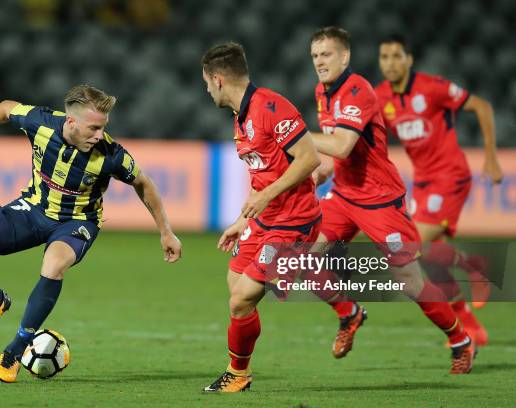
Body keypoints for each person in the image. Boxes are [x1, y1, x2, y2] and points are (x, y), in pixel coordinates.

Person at [0, 85, 182, 383]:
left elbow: (144, 183)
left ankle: (15, 349)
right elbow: (5, 107)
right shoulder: (41, 123)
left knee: (54, 265)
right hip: (34, 207)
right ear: (70, 121)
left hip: (78, 221)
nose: (99, 135)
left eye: (103, 128)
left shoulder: (111, 155)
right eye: (94, 128)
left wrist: (166, 232)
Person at [308, 27, 475, 373]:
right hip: (343, 195)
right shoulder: (321, 93)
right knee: (301, 257)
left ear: (345, 57)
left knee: (410, 282)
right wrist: (322, 172)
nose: (320, 62)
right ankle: (348, 313)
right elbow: (336, 153)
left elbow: (342, 145)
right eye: (315, 56)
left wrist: (296, 133)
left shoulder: (358, 91)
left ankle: (461, 340)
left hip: (380, 201)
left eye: (326, 54)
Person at [199, 42, 357, 392]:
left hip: (294, 221)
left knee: (241, 300)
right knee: (235, 285)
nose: (206, 89)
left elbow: (309, 159)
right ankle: (303, 277)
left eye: (207, 82)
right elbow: (263, 177)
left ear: (218, 79)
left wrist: (268, 197)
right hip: (265, 221)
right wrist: (243, 221)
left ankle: (237, 374)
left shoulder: (271, 107)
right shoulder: (241, 120)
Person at [375, 34, 503, 345]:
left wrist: (490, 158)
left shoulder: (433, 87)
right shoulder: (380, 97)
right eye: (384, 57)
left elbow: (483, 107)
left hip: (450, 176)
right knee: (429, 259)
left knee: (411, 246)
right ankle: (471, 325)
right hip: (422, 182)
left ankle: (474, 265)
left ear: (409, 59)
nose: (390, 63)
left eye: (396, 56)